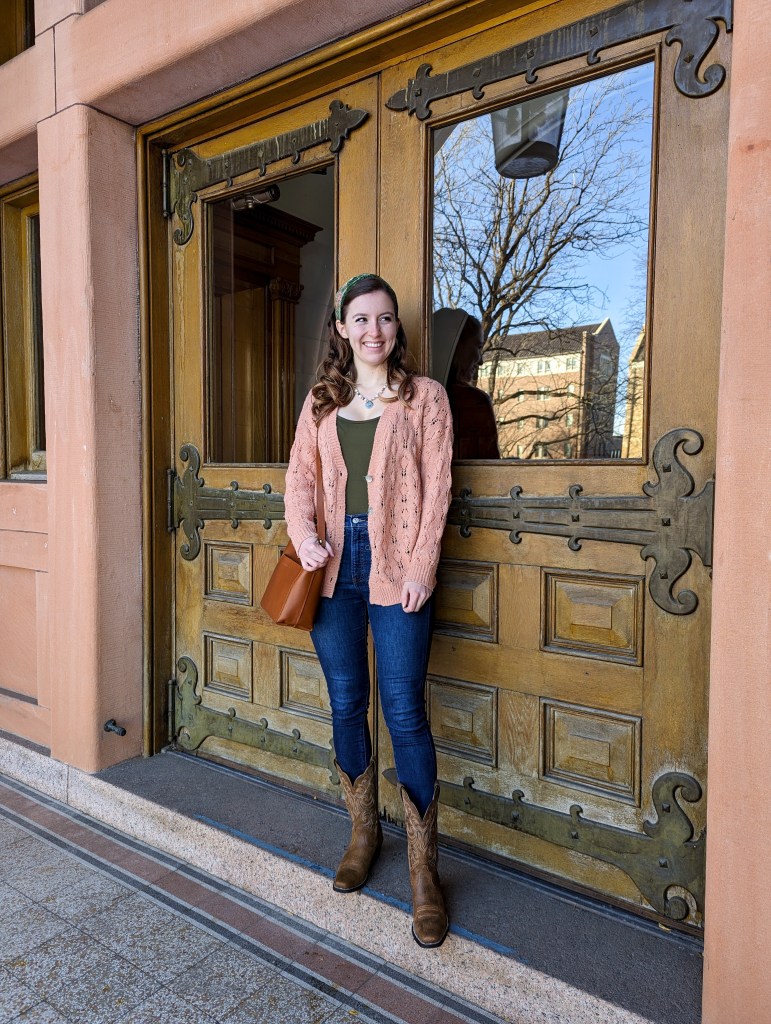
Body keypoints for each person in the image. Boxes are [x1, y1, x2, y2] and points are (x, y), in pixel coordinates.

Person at [284, 274, 454, 948]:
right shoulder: (322, 402)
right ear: (342, 328)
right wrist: (303, 539)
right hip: (331, 570)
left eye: (384, 319)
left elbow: (439, 486)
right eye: (360, 319)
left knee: (405, 709)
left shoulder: (424, 399)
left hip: (396, 568)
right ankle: (362, 836)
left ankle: (423, 873)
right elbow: (298, 478)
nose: (373, 331)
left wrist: (420, 567)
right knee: (346, 701)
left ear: (395, 330)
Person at [432, 308, 500, 460]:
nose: (481, 360)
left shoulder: (407, 396)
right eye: (477, 347)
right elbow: (490, 472)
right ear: (456, 347)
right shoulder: (474, 403)